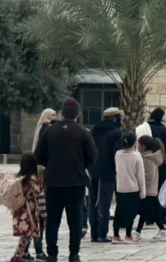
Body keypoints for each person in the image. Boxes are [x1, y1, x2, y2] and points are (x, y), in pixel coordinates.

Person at [35, 98, 97, 262]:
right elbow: (92, 156)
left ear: (62, 113)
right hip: (75, 182)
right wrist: (80, 164)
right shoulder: (82, 132)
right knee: (75, 220)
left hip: (54, 181)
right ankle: (74, 254)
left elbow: (39, 155)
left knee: (53, 220)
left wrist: (51, 164)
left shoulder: (50, 131)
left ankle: (52, 254)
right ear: (78, 114)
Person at [88, 107, 123, 243]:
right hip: (108, 172)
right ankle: (102, 233)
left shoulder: (93, 131)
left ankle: (94, 233)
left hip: (93, 170)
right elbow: (117, 154)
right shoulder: (117, 133)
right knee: (104, 203)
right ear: (115, 118)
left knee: (92, 202)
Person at [10, 153, 44, 262]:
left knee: (26, 233)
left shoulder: (19, 178)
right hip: (30, 209)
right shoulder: (32, 179)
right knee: (26, 234)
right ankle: (17, 256)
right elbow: (39, 189)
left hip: (20, 209)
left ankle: (25, 254)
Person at [112, 132, 145, 244]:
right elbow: (140, 175)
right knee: (131, 213)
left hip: (120, 187)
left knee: (119, 211)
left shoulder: (118, 154)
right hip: (133, 188)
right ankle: (128, 235)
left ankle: (116, 234)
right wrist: (143, 192)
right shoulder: (136, 156)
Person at [136, 135, 166, 240]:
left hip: (148, 189)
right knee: (151, 211)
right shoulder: (147, 157)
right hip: (150, 189)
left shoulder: (147, 159)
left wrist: (140, 183)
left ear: (143, 146)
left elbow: (149, 175)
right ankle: (161, 229)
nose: (137, 146)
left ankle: (138, 231)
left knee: (145, 211)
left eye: (139, 144)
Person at [147, 108, 166, 224]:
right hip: (162, 164)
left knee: (149, 190)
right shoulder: (165, 131)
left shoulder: (146, 128)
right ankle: (161, 216)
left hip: (148, 162)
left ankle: (149, 217)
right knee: (162, 190)